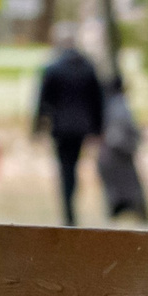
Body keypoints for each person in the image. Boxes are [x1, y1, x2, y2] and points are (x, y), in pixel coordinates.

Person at [35, 39, 105, 227]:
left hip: (61, 128)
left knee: (65, 168)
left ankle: (68, 208)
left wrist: (37, 127)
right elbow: (98, 101)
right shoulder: (88, 68)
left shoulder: (53, 68)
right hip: (81, 128)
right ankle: (70, 205)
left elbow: (42, 100)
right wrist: (98, 129)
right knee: (72, 166)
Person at [97, 70, 148, 223]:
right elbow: (117, 136)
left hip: (114, 157)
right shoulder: (119, 106)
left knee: (120, 200)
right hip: (118, 158)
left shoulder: (110, 104)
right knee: (129, 199)